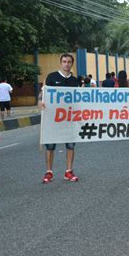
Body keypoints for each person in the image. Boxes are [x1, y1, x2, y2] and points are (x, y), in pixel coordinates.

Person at [38, 53, 79, 183]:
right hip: (52, 117)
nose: (66, 64)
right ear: (60, 63)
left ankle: (69, 171)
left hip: (69, 118)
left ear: (72, 64)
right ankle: (49, 172)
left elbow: (80, 98)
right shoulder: (51, 77)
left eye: (69, 62)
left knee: (70, 145)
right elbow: (42, 93)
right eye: (64, 61)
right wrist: (40, 101)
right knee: (50, 146)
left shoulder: (75, 80)